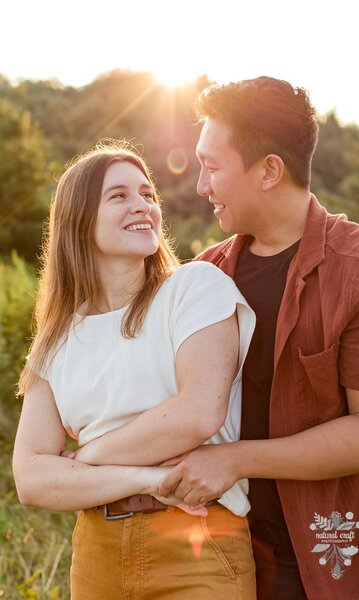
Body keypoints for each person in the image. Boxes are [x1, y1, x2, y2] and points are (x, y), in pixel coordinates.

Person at [158, 76, 359, 600]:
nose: (201, 185)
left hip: (306, 551)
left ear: (269, 170)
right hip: (208, 541)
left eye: (212, 165)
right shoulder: (204, 275)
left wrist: (234, 459)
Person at [12, 141, 257, 599]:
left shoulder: (195, 287)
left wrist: (85, 459)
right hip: (96, 550)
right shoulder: (58, 335)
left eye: (147, 194)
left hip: (197, 540)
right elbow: (31, 478)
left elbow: (199, 413)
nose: (143, 205)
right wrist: (149, 479)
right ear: (79, 221)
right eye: (119, 195)